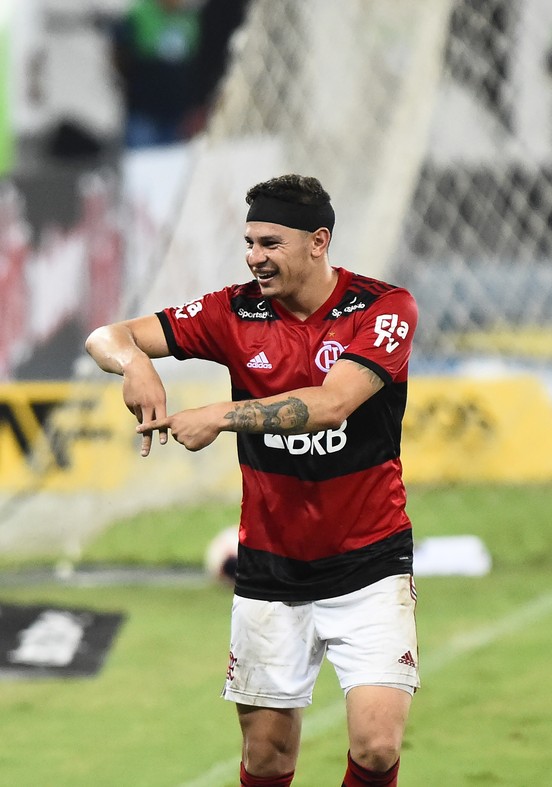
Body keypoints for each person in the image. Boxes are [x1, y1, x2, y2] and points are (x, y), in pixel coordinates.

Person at [85, 174, 419, 787]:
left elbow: (332, 403)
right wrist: (136, 364)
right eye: (249, 243)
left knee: (376, 746)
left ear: (318, 242)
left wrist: (219, 415)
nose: (254, 258)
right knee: (267, 757)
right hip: (271, 564)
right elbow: (106, 336)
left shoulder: (383, 307)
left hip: (369, 559)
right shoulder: (233, 311)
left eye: (270, 243)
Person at [110, 0, 206, 148]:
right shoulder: (137, 14)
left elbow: (194, 69)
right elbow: (119, 58)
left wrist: (194, 107)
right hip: (144, 113)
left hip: (177, 117)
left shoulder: (190, 18)